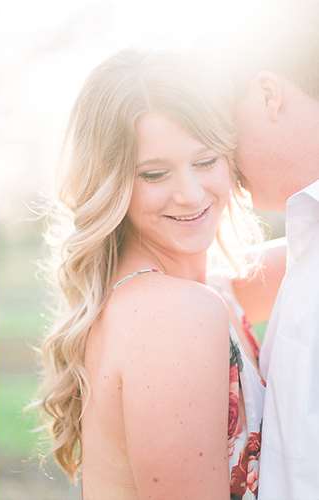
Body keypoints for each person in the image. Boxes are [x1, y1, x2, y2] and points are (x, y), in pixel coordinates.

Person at [40, 50, 285, 499]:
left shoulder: (191, 292)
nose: (190, 195)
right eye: (154, 174)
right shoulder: (173, 315)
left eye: (206, 161)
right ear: (110, 183)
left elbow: (301, 257)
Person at [227, 2, 319, 498]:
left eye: (223, 129)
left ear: (268, 95)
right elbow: (228, 278)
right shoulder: (308, 235)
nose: (221, 157)